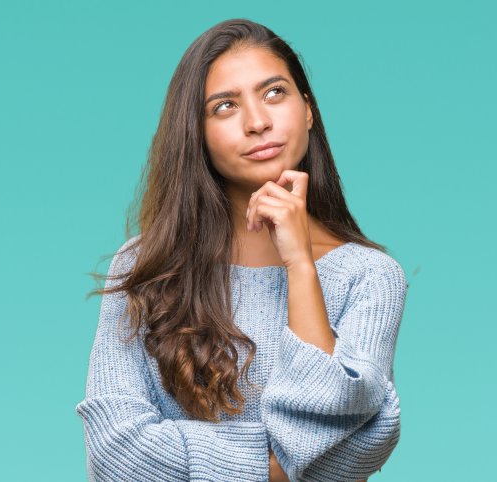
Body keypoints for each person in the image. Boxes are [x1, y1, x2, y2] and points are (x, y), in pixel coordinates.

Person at [74, 18, 407, 482]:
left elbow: (347, 437)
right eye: (225, 106)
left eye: (274, 92)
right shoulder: (143, 266)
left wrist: (299, 265)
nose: (257, 122)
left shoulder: (370, 276)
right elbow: (117, 453)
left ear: (307, 110)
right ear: (198, 134)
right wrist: (277, 465)